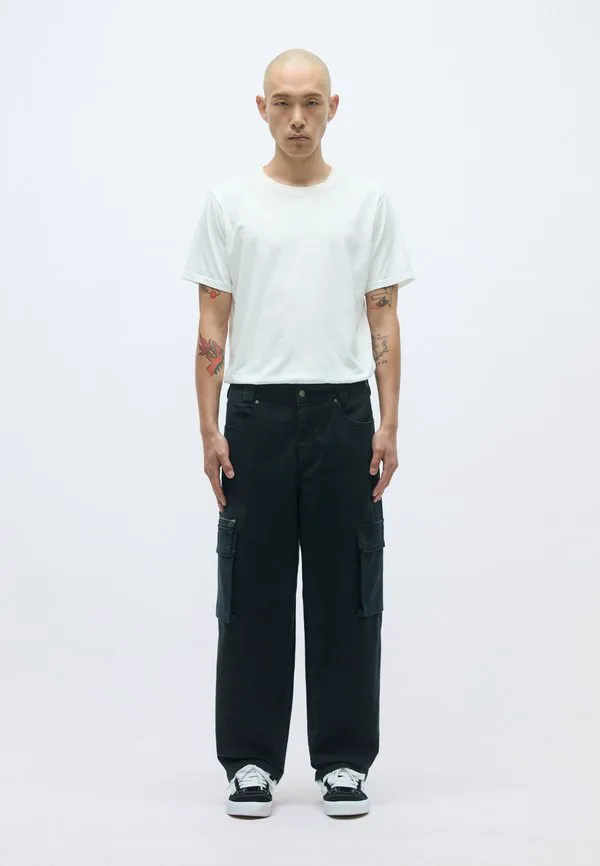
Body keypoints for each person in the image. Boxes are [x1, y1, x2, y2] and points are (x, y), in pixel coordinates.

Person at [181, 48, 416, 819]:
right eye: (282, 103)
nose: (297, 118)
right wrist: (209, 427)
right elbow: (212, 323)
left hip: (345, 414)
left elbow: (384, 316)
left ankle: (343, 762)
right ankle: (250, 761)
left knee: (348, 590)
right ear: (261, 108)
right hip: (255, 415)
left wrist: (388, 421)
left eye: (311, 102)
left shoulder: (367, 204)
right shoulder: (229, 204)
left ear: (333, 107)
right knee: (250, 590)